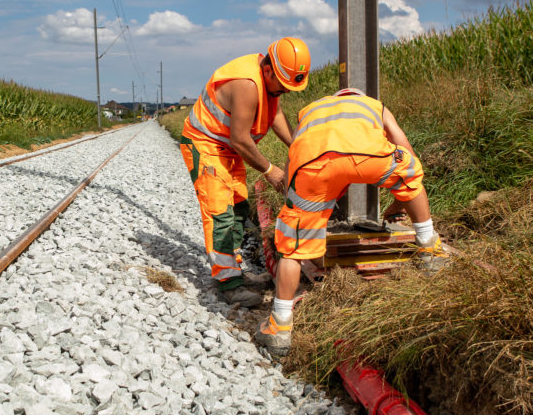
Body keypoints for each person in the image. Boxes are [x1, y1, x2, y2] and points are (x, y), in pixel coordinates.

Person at [255, 87, 448, 354]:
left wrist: (303, 209)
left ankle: (279, 327)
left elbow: (294, 157)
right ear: (357, 97)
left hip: (312, 165)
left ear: (335, 99)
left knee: (293, 246)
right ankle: (430, 249)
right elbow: (405, 148)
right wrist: (399, 200)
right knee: (411, 173)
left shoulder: (312, 110)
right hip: (371, 157)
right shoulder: (372, 105)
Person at [180, 37, 311, 307]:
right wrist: (270, 170)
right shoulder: (247, 85)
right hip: (206, 145)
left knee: (239, 209)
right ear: (267, 70)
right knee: (221, 215)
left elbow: (274, 116)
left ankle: (236, 271)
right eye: (283, 86)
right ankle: (228, 285)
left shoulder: (269, 85)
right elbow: (241, 139)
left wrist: (299, 147)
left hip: (227, 149)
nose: (285, 92)